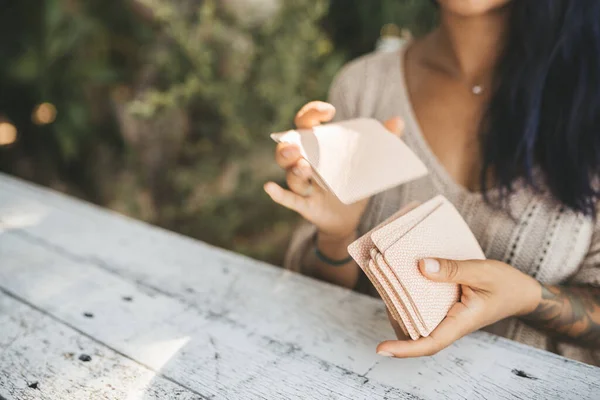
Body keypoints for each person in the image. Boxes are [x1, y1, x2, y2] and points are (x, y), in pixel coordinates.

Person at [264, 0, 600, 365]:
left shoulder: (591, 101)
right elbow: (315, 301)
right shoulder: (363, 87)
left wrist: (528, 298)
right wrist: (335, 236)